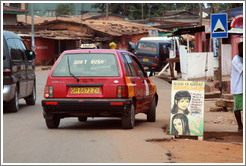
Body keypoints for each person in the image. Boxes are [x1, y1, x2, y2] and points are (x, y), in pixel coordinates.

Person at [231, 42, 243, 132]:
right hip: (239, 87)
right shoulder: (236, 60)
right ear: (239, 49)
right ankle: (240, 125)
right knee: (238, 107)